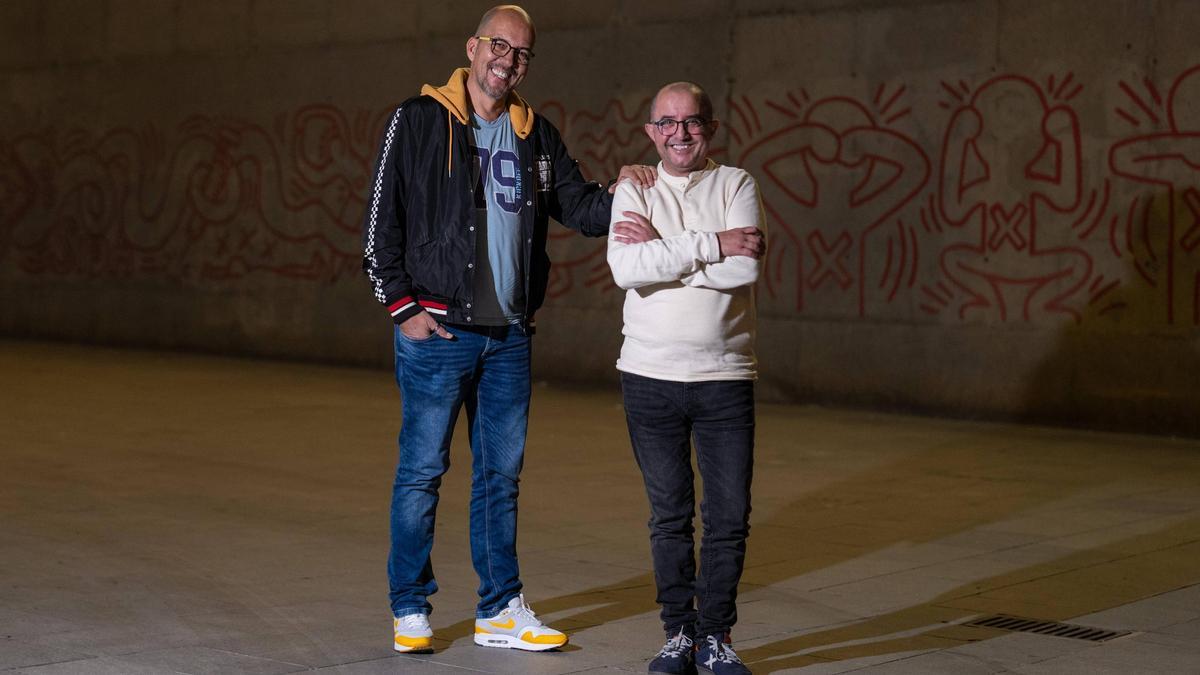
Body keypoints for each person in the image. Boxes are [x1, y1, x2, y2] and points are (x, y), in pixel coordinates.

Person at [361, 4, 653, 655]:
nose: (509, 60)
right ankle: (410, 605)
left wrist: (628, 191)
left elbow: (576, 203)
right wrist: (403, 308)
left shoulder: (535, 134)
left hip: (509, 336)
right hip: (436, 330)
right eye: (500, 45)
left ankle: (499, 606)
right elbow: (383, 219)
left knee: (500, 474)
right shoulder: (417, 121)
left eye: (522, 53)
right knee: (421, 470)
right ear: (473, 47)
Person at [607, 82, 766, 675]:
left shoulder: (737, 183)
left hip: (726, 377)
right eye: (667, 123)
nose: (680, 133)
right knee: (669, 514)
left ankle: (716, 636)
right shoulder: (633, 187)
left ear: (711, 128)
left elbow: (744, 266)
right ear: (651, 132)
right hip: (649, 376)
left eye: (692, 122)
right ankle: (678, 635)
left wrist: (668, 255)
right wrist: (710, 247)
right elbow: (627, 268)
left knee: (728, 515)